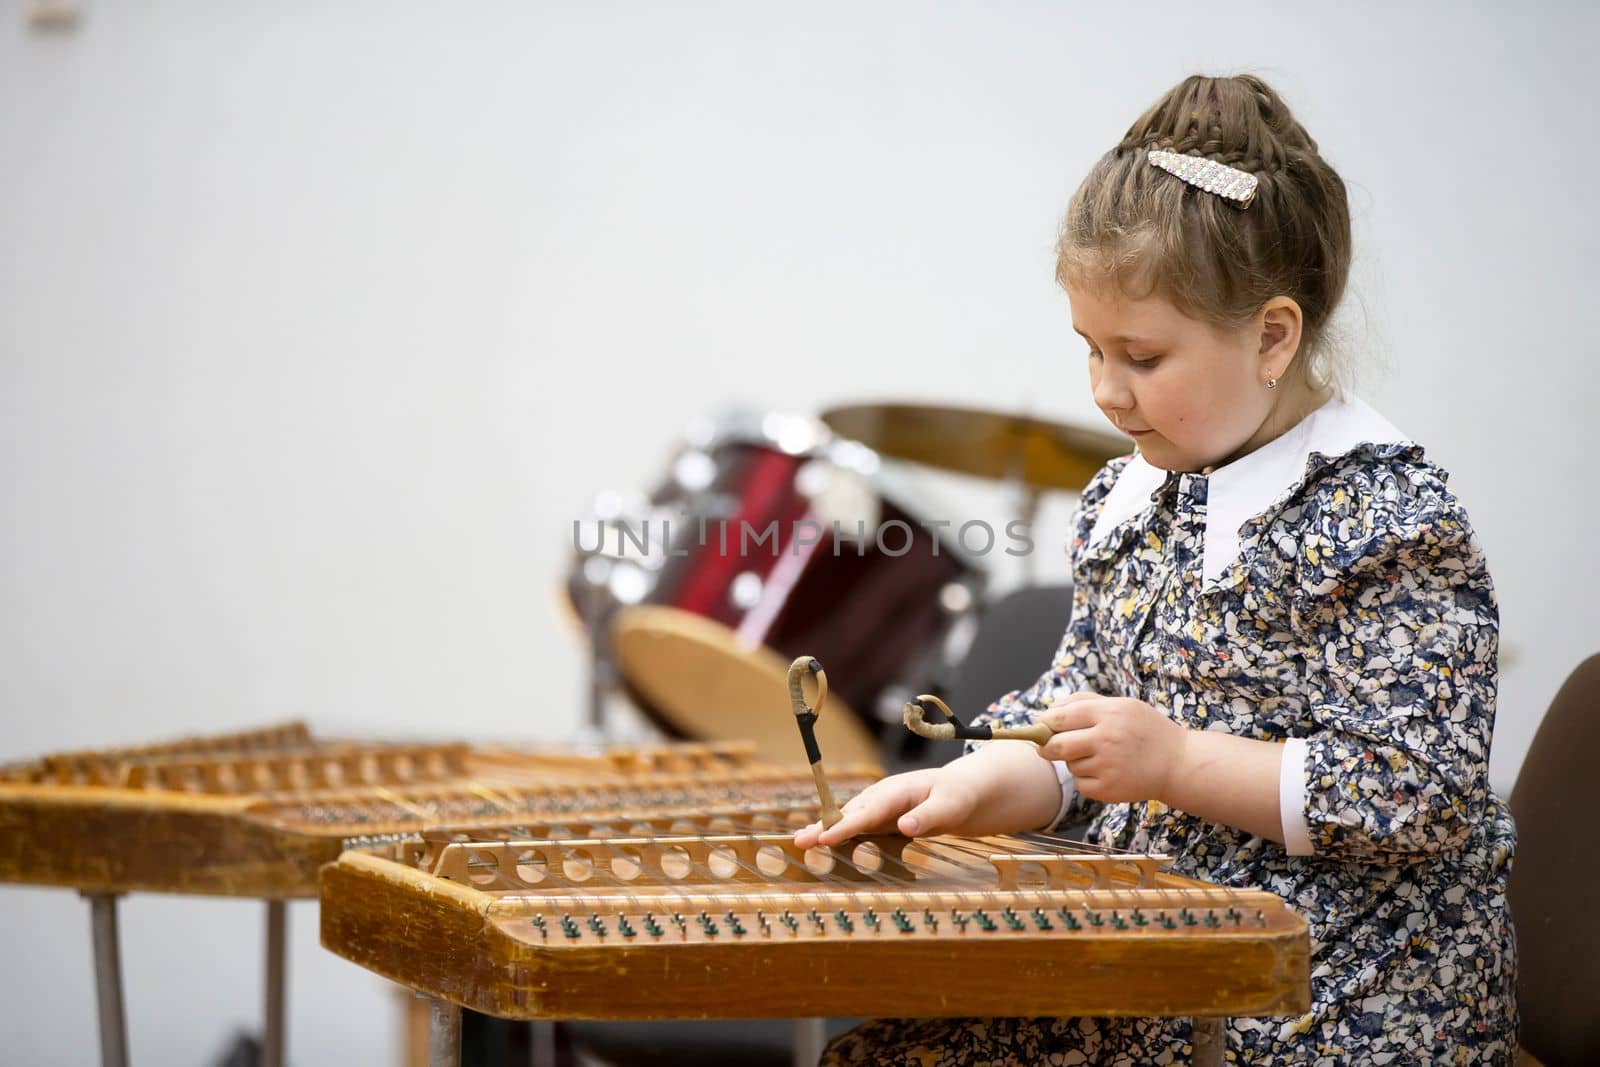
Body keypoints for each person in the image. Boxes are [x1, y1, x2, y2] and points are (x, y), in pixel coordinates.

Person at [795, 73, 1517, 1065]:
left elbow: (1419, 787)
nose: (1104, 391)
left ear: (1271, 334)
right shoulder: (1129, 500)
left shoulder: (1387, 515)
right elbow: (1066, 726)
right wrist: (955, 789)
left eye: (1140, 356)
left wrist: (1176, 762)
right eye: (1089, 349)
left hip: (1336, 991)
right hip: (1166, 954)